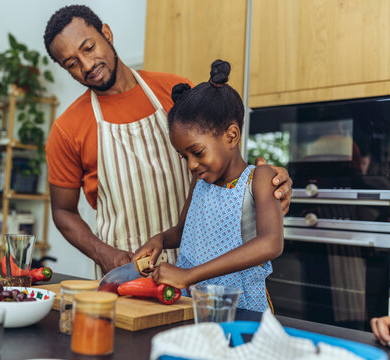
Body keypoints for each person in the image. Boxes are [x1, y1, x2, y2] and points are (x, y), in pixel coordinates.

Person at [43, 5, 292, 276]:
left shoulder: (176, 93)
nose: (87, 65)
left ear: (107, 33)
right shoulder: (67, 129)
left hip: (203, 265)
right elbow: (63, 212)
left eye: (89, 48)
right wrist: (104, 254)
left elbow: (225, 162)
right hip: (128, 271)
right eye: (71, 63)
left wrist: (267, 183)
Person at [133, 60, 283, 312]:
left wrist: (189, 275)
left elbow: (271, 243)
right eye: (184, 156)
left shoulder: (259, 178)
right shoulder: (200, 181)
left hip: (242, 310)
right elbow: (183, 232)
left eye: (197, 152)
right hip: (192, 305)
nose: (191, 165)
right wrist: (159, 239)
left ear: (231, 136)